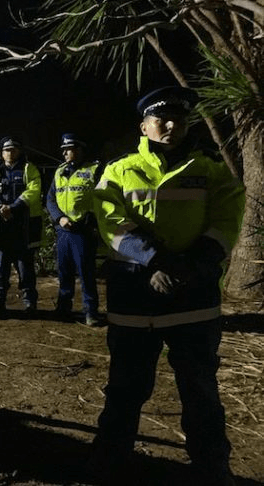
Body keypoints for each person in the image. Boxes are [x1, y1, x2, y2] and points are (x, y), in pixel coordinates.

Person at [89, 86, 245, 485]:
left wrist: (193, 264)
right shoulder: (118, 169)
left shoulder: (210, 168)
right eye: (162, 119)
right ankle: (110, 463)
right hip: (134, 297)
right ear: (144, 126)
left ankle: (212, 468)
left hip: (193, 299)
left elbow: (228, 217)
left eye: (179, 118)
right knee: (125, 388)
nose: (172, 125)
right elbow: (110, 222)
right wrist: (156, 261)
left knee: (201, 392)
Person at [0, 136, 42, 315]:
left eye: (14, 149)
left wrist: (13, 208)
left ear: (19, 151)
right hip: (1, 229)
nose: (10, 152)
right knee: (0, 269)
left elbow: (34, 190)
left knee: (26, 269)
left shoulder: (28, 169)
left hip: (22, 229)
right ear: (2, 153)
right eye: (7, 150)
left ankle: (30, 303)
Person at [45, 133, 102, 326]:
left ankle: (90, 311)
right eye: (63, 150)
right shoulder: (60, 172)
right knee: (64, 272)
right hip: (63, 230)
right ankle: (63, 308)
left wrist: (91, 219)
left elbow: (102, 197)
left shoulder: (94, 169)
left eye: (68, 149)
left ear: (79, 150)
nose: (65, 153)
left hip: (83, 230)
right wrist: (59, 218)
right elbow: (50, 199)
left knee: (86, 272)